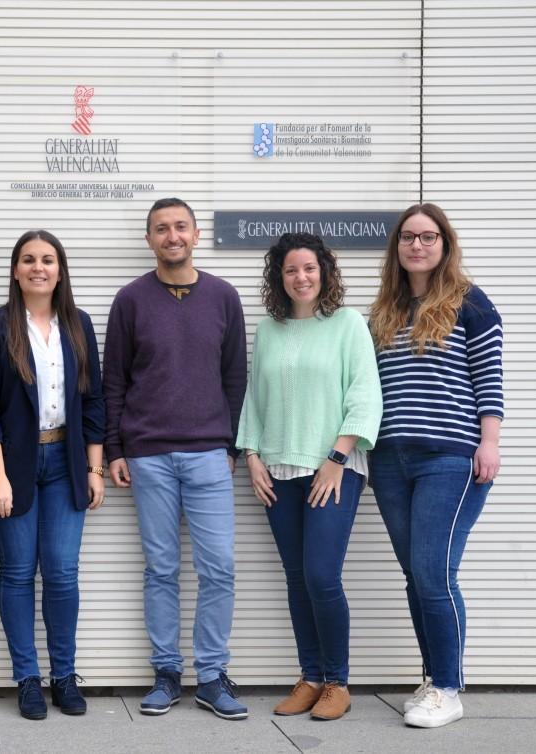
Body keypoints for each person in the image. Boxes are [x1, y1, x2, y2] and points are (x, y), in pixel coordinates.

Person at [102, 198, 248, 720]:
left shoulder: (224, 297)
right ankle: (166, 673)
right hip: (149, 455)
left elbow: (235, 377)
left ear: (196, 234)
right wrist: (115, 449)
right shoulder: (130, 300)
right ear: (149, 239)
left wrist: (230, 446)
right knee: (161, 569)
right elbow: (114, 380)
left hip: (209, 452)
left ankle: (211, 676)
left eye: (181, 226)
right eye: (161, 229)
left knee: (219, 569)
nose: (172, 236)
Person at [237, 233, 382, 721]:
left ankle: (338, 682)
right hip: (278, 470)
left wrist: (337, 458)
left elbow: (365, 395)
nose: (301, 277)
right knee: (298, 578)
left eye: (309, 268)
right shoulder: (269, 330)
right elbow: (255, 398)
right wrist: (252, 455)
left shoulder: (348, 324)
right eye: (291, 270)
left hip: (333, 470)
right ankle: (311, 676)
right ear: (279, 278)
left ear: (325, 272)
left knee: (322, 575)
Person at [368, 203, 503, 729]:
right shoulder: (385, 310)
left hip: (449, 457)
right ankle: (433, 678)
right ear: (397, 247)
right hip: (390, 459)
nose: (417, 245)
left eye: (428, 237)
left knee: (433, 572)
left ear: (445, 244)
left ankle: (448, 687)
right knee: (415, 574)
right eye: (408, 237)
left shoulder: (470, 303)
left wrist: (489, 443)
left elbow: (489, 379)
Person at [0, 230, 105, 720]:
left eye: (47, 260)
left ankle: (64, 677)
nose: (38, 268)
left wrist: (94, 468)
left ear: (60, 270)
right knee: (19, 572)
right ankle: (27, 678)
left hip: (66, 463)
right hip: (14, 464)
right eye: (28, 259)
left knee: (62, 572)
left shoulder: (79, 325)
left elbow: (93, 400)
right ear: (15, 270)